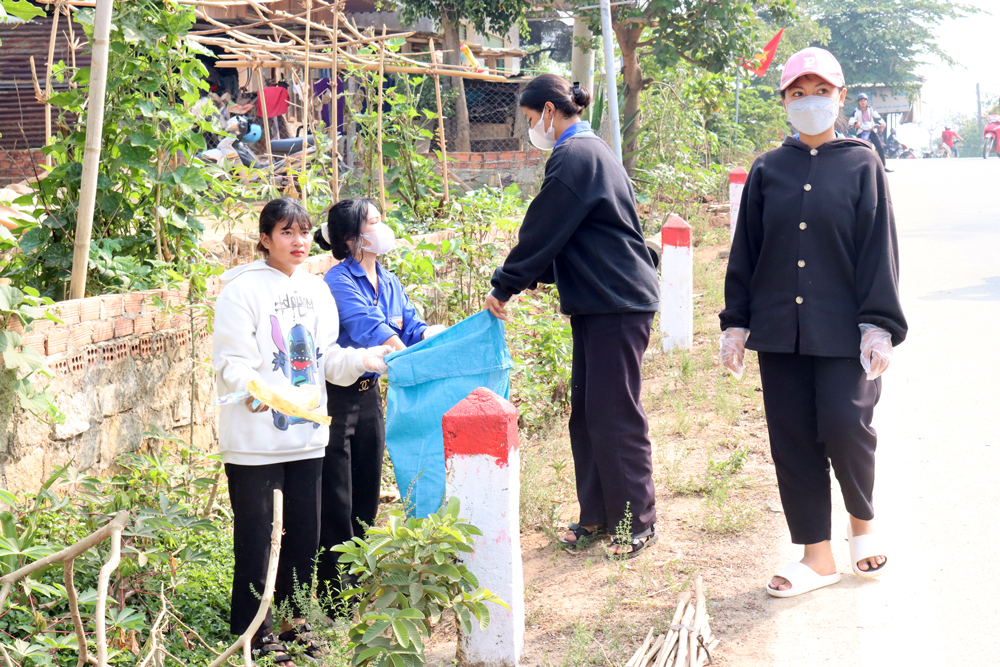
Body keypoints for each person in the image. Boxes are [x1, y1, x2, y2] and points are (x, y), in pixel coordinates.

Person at [719, 47, 907, 598]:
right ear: (784, 101)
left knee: (846, 428)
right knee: (793, 439)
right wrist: (736, 323)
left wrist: (878, 326)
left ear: (841, 97)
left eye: (820, 92)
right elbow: (746, 251)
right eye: (797, 94)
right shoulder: (767, 169)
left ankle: (862, 526)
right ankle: (816, 556)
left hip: (843, 329)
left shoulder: (862, 163)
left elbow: (879, 250)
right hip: (779, 331)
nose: (809, 103)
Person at [484, 74, 660, 559]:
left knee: (615, 413)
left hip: (616, 302)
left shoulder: (574, 155)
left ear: (547, 110)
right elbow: (574, 232)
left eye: (527, 120)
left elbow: (544, 227)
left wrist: (507, 284)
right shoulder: (592, 150)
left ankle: (637, 523)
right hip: (601, 300)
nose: (529, 131)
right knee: (587, 415)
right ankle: (598, 515)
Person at [213, 198, 391, 663]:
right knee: (257, 537)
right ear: (266, 238)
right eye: (287, 232)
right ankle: (254, 631)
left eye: (303, 232)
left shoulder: (316, 291)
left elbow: (327, 357)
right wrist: (255, 389)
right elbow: (231, 363)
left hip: (308, 437)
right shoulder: (240, 290)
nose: (297, 242)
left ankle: (292, 621)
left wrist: (362, 360)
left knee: (303, 538)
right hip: (256, 442)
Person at [313, 198, 445, 599]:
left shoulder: (387, 280)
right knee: (337, 499)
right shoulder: (338, 281)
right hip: (338, 400)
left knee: (367, 493)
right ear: (354, 239)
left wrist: (429, 337)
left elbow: (409, 322)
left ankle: (360, 585)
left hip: (370, 398)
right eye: (374, 221)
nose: (382, 226)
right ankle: (335, 595)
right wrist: (404, 348)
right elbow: (371, 328)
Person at [848, 92, 889, 169]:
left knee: (880, 147)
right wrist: (856, 123)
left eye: (864, 100)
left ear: (867, 101)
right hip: (861, 131)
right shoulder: (856, 111)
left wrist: (883, 124)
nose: (863, 102)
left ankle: (883, 166)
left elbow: (878, 117)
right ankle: (860, 167)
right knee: (861, 149)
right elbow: (850, 121)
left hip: (871, 130)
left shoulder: (871, 109)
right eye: (861, 101)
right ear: (858, 102)